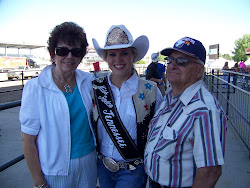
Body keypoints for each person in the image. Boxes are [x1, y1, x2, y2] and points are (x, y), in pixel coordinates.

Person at [20, 22, 97, 188]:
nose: (69, 57)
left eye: (76, 52)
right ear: (52, 53)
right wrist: (38, 182)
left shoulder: (89, 82)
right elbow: (27, 140)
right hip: (55, 170)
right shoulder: (35, 88)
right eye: (62, 51)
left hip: (89, 163)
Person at [144, 36, 227, 188]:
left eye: (182, 61)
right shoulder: (170, 98)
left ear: (199, 70)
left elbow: (210, 171)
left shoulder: (204, 109)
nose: (173, 65)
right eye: (170, 60)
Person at [91, 24, 163, 188]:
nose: (118, 59)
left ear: (133, 56)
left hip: (133, 170)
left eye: (124, 53)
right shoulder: (96, 88)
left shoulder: (151, 90)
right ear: (106, 58)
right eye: (112, 54)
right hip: (103, 167)